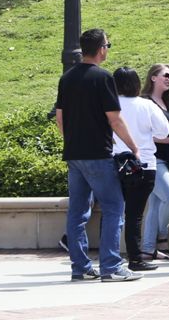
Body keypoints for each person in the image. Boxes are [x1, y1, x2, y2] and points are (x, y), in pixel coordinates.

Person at [55, 29, 142, 282]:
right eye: (108, 45)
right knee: (115, 207)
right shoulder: (103, 78)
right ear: (101, 48)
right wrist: (133, 147)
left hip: (74, 154)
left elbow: (60, 118)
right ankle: (111, 267)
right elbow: (115, 119)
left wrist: (72, 141)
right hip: (98, 154)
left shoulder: (67, 78)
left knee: (78, 212)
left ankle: (80, 267)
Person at [110, 67, 169, 272]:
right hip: (143, 164)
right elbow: (164, 131)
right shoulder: (146, 105)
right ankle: (135, 258)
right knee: (135, 215)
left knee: (112, 212)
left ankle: (108, 256)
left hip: (115, 163)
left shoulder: (110, 105)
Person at [139, 64, 169, 261]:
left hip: (167, 158)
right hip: (152, 159)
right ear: (153, 78)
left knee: (156, 204)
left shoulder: (168, 103)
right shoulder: (145, 102)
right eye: (165, 75)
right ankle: (162, 234)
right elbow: (143, 132)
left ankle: (148, 249)